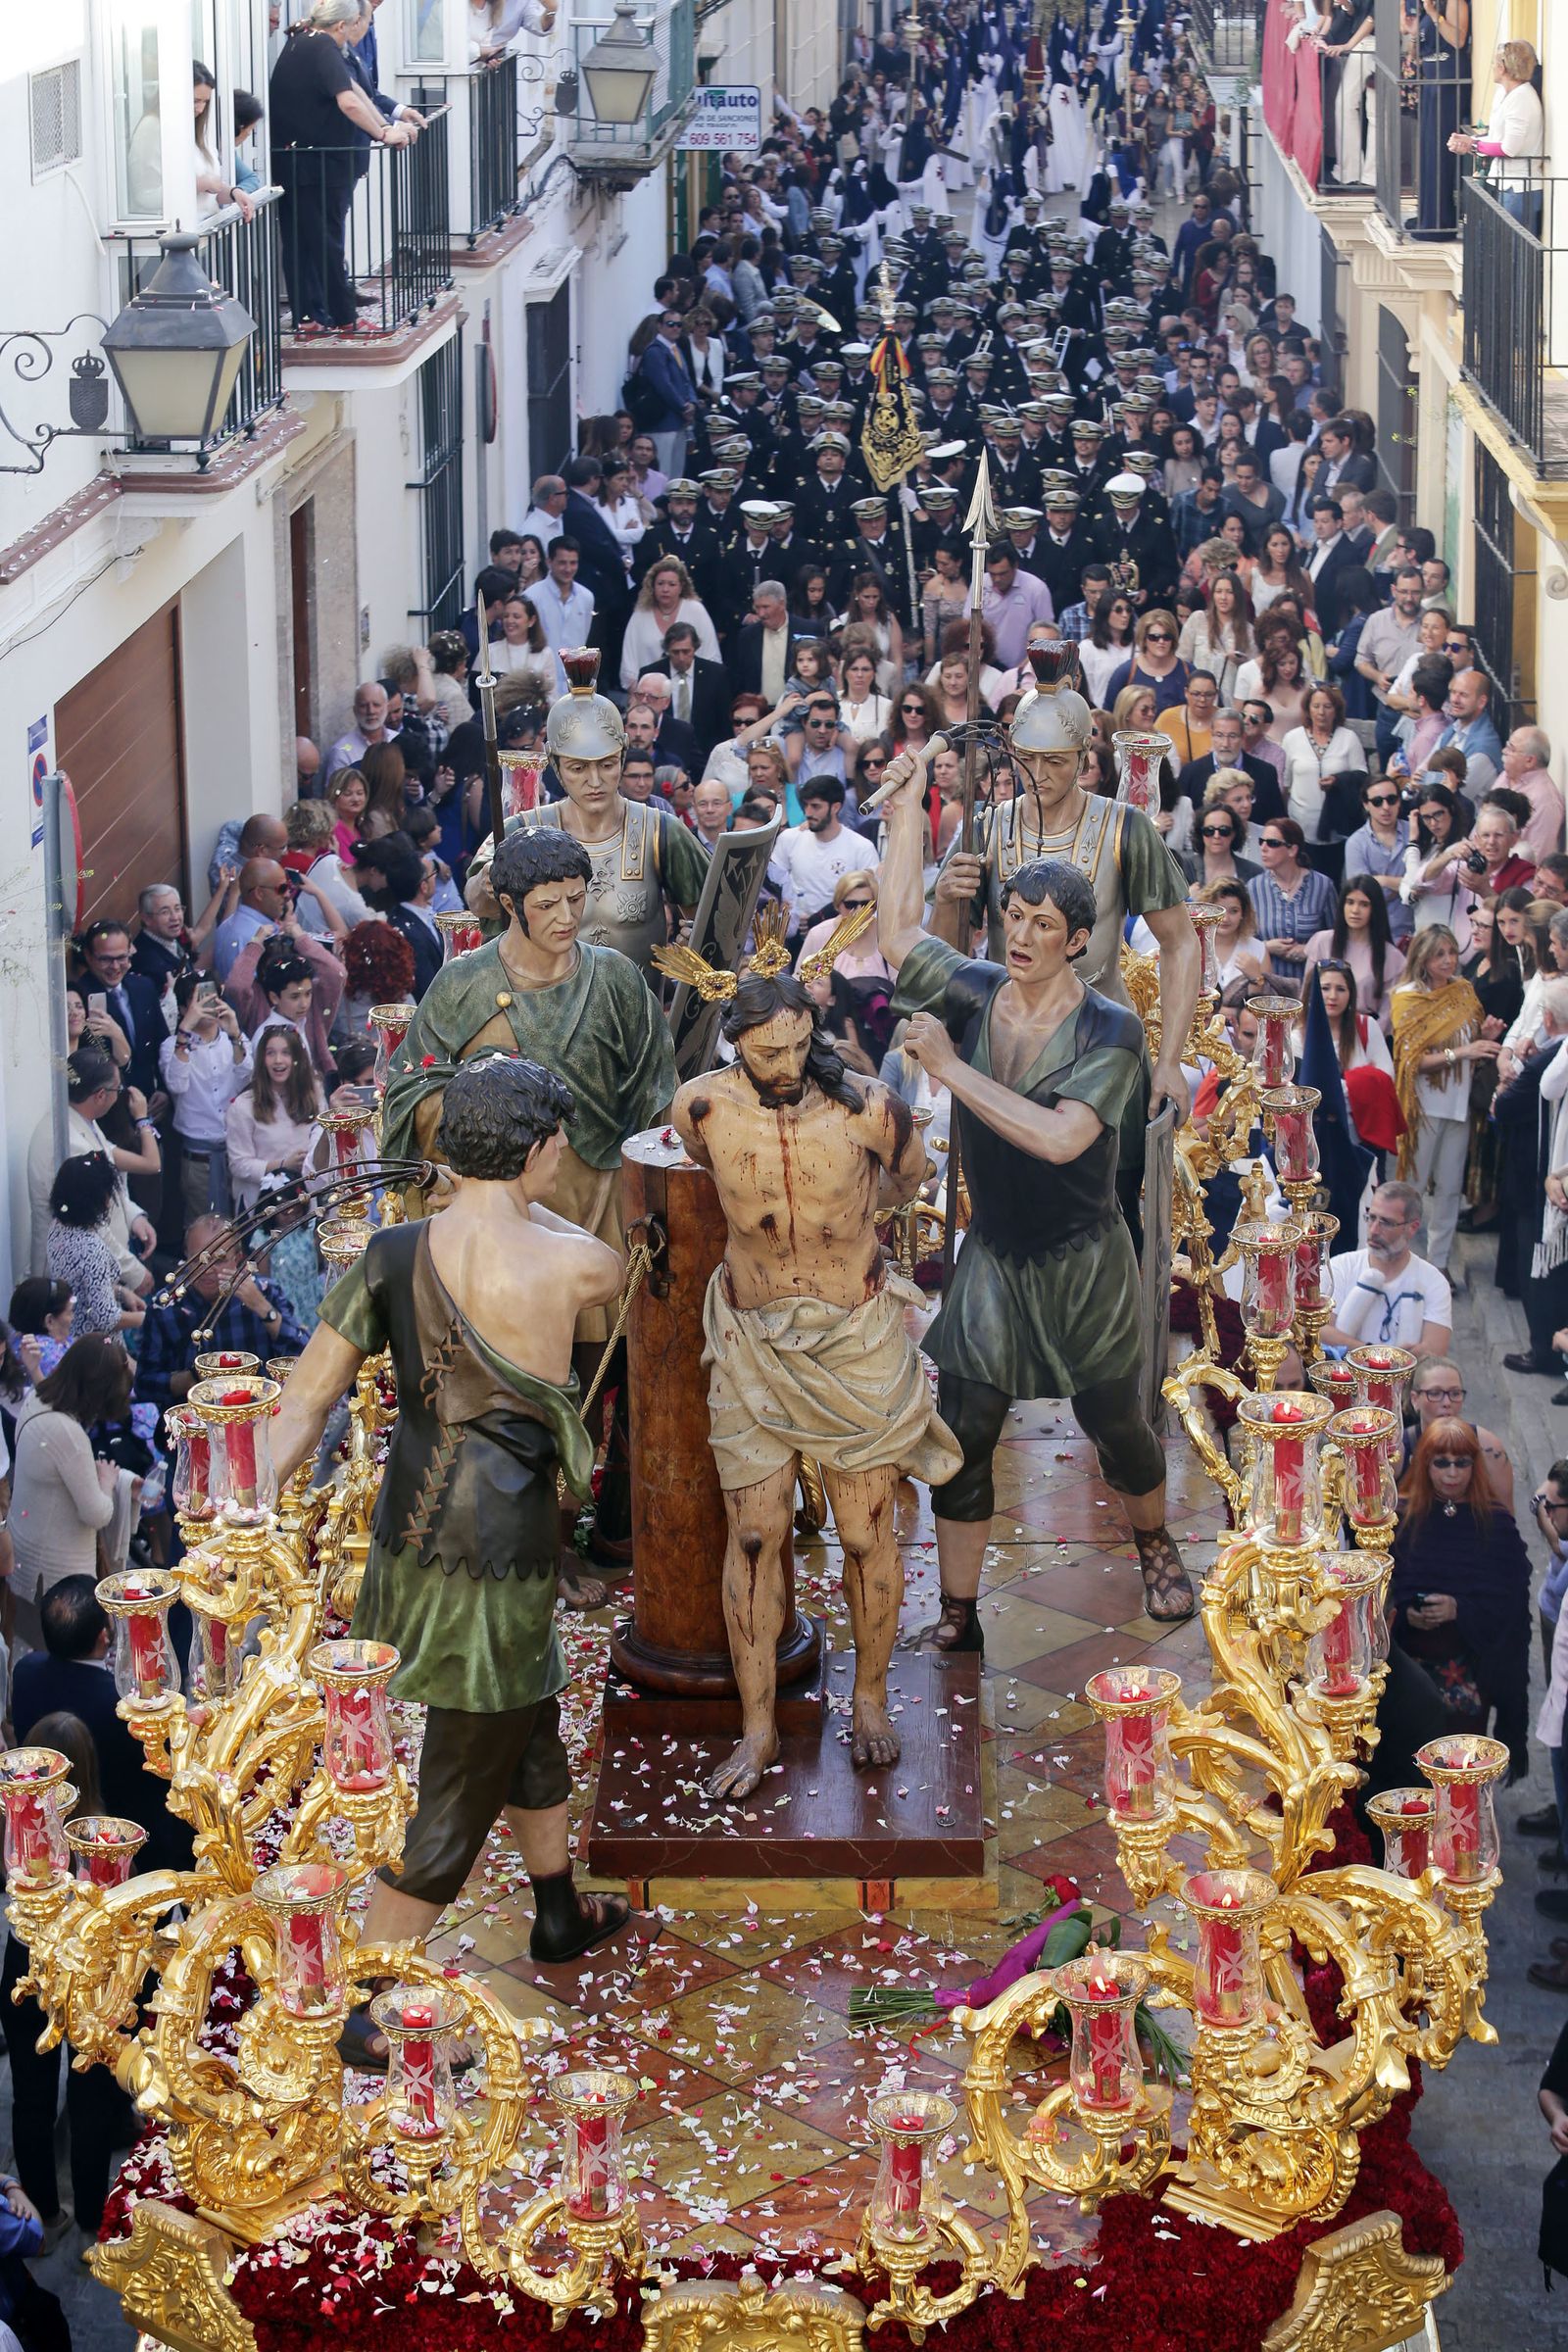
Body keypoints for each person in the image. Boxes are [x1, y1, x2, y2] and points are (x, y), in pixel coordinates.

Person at [271, 1057, 632, 2062]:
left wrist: (243, 1505)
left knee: (521, 1719)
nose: (565, 1157)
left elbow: (305, 1399)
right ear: (536, 1149)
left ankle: (556, 1909)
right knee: (462, 1779)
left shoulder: (391, 1253)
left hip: (409, 1541)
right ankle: (370, 2005)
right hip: (501, 1556)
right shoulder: (577, 1264)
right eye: (556, 1145)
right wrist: (507, 1197)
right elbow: (601, 1263)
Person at [879, 738, 1197, 1632]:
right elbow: (899, 935)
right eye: (1013, 917)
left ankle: (1154, 1543)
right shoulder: (978, 989)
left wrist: (950, 1068)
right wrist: (906, 809)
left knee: (1116, 1424)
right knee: (967, 1424)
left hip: (1083, 1258)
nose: (1019, 937)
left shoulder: (1111, 1031)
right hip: (996, 1254)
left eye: (1043, 926)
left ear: (1080, 942)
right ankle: (959, 1612)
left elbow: (1061, 1140)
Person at [669, 955, 957, 1801]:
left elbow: (910, 1179)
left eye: (800, 1045)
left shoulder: (870, 1108)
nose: (789, 1065)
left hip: (853, 1340)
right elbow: (704, 1166)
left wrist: (848, 1237)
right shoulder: (700, 1107)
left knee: (865, 1534)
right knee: (755, 1537)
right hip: (750, 1340)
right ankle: (758, 1726)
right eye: (768, 1052)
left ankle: (869, 1700)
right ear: (735, 1045)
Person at [382, 823, 676, 1603]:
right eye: (548, 905)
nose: (567, 917)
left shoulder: (616, 980)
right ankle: (535, 1549)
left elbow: (657, 1088)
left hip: (601, 1202)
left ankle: (599, 1531)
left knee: (604, 1383)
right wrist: (478, 1117)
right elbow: (408, 1088)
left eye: (578, 899)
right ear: (509, 905)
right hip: (504, 1221)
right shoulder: (464, 985)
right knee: (523, 1392)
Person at [466, 659, 709, 978]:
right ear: (555, 765)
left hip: (638, 1006)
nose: (595, 781)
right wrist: (486, 883)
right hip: (545, 1005)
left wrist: (695, 941)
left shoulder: (660, 831)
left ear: (622, 756)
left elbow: (714, 915)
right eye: (578, 768)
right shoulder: (523, 832)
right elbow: (477, 903)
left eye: (607, 765)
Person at [1390, 1419, 1528, 1769]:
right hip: (1409, 1672)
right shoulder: (1400, 1518)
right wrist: (1407, 1612)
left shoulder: (1496, 1525)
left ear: (1473, 1465)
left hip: (1470, 1672)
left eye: (1461, 1463)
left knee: (1462, 1769)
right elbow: (1386, 1588)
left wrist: (1458, 1609)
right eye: (1442, 1463)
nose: (1452, 1473)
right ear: (1425, 1464)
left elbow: (1510, 1605)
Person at [270, 0, 413, 336]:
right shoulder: (322, 46)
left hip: (296, 160)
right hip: (316, 165)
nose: (353, 34)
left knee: (302, 241)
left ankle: (308, 316)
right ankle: (344, 317)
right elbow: (348, 101)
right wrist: (383, 134)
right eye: (352, 26)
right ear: (341, 25)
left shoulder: (303, 38)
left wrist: (384, 125)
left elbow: (356, 90)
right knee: (325, 242)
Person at [10, 1336, 138, 1653]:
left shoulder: (37, 1398)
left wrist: (119, 1480)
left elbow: (56, 1471)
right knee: (68, 1658)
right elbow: (96, 1512)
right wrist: (109, 1481)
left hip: (26, 1557)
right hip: (60, 1574)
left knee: (34, 1652)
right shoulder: (68, 1433)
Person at [1391, 924, 1498, 1269]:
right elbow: (1411, 1061)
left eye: (1452, 952)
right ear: (1422, 957)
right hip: (1423, 1107)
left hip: (1459, 1105)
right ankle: (1401, 1260)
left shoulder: (1463, 991)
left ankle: (1438, 1265)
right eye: (1439, 954)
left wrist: (1485, 1036)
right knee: (1413, 1188)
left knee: (1450, 1190)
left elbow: (1471, 1042)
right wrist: (1463, 1052)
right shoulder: (1408, 996)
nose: (1448, 960)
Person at [133, 1214, 309, 1418]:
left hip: (259, 1419)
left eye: (220, 1260)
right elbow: (144, 1384)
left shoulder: (265, 1292)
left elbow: (305, 1355)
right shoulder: (166, 1306)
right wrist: (193, 1378)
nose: (208, 1269)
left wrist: (262, 1308)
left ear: (238, 1258)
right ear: (186, 1256)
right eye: (198, 1260)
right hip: (194, 1425)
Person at [160, 971, 252, 1224]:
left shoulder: (234, 1039)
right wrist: (184, 1031)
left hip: (236, 1150)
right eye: (197, 1000)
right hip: (197, 1158)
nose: (206, 1006)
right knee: (203, 1227)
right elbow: (176, 1084)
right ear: (183, 1008)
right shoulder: (171, 1045)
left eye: (211, 997)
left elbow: (248, 1077)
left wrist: (235, 1033)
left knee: (242, 1223)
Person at [1323, 1180, 1452, 1351]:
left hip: (1409, 1371)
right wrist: (1376, 1355)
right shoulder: (1340, 1267)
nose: (1374, 1230)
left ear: (1412, 1228)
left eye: (1386, 1223)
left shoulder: (1433, 1281)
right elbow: (1321, 1331)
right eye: (1371, 1218)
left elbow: (1436, 1350)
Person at [224, 1024, 328, 1212]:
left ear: (297, 1058)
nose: (278, 1060)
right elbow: (239, 1164)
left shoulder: (315, 1094)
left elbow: (323, 1142)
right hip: (261, 1207)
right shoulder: (243, 1106)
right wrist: (282, 1165)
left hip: (306, 1203)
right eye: (270, 1053)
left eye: (286, 1053)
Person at [46, 1154, 145, 1342]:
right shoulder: (91, 1248)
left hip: (69, 1338)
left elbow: (83, 1286)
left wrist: (121, 1293)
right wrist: (146, 1318)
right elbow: (107, 1318)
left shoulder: (57, 1227)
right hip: (95, 1348)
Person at [1400, 1356, 1512, 1508]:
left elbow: (1505, 1514)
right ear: (1415, 1399)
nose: (1447, 1403)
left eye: (1455, 1393)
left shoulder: (1488, 1446)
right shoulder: (1399, 1450)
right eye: (1435, 1393)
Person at [1304, 875, 1406, 1027]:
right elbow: (1307, 994)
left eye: (1364, 904)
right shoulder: (1322, 941)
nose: (1355, 910)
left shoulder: (1391, 956)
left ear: (1375, 909)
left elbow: (1388, 1011)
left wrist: (1368, 1036)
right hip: (1322, 1027)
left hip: (1367, 1029)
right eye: (1350, 902)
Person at [1248, 817, 1338, 981]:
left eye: (1272, 843)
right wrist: (1266, 947)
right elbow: (1242, 940)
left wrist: (1309, 949)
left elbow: (1337, 937)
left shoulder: (1323, 886)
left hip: (1312, 981)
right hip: (1268, 983)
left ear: (1292, 850)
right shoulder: (1254, 887)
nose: (1263, 848)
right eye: (1261, 842)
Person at [1280, 682, 1362, 837]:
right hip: (1299, 825)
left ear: (1336, 710)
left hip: (1338, 826)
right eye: (1316, 706)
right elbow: (1285, 783)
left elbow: (1361, 777)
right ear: (1308, 709)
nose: (1321, 712)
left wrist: (1338, 780)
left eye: (1327, 706)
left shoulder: (1349, 738)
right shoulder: (1292, 738)